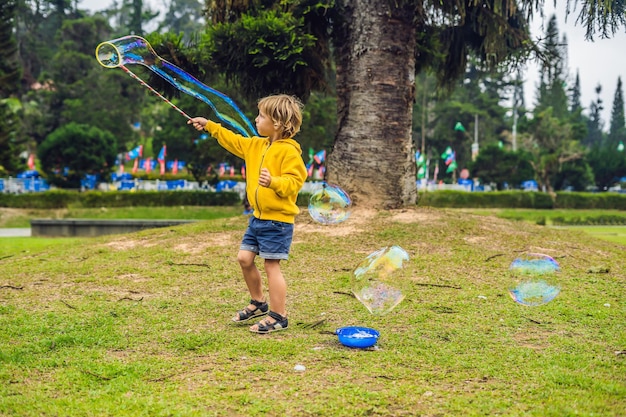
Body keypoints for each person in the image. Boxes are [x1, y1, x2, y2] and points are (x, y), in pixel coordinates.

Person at [187, 94, 308, 333]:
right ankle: (259, 302)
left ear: (277, 123)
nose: (256, 119)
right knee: (244, 258)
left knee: (271, 266)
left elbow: (295, 182)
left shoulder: (290, 152)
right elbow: (232, 140)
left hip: (278, 221)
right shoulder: (256, 145)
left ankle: (279, 315)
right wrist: (210, 126)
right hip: (258, 218)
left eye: (261, 116)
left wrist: (274, 182)